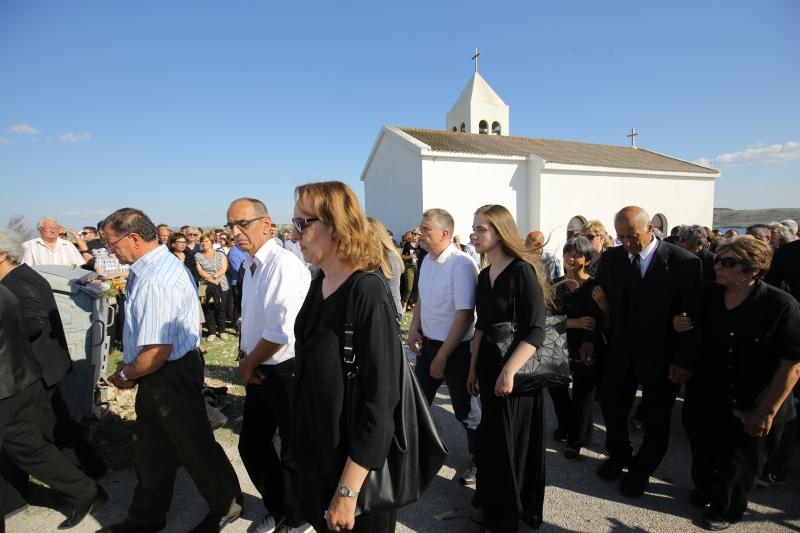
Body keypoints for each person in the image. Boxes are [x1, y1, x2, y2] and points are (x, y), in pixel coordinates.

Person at [97, 208, 241, 533]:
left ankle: (226, 505)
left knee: (193, 445)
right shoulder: (146, 269)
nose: (110, 251)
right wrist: (133, 366)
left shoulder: (158, 278)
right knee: (151, 450)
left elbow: (157, 350)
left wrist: (126, 374)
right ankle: (145, 519)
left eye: (112, 244)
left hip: (169, 372)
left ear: (133, 238)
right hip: (159, 371)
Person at [290, 181, 401, 533]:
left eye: (302, 224)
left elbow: (380, 403)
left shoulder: (366, 292)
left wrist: (348, 490)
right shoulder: (317, 284)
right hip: (319, 461)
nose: (295, 236)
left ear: (336, 225)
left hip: (354, 477)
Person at [682, 236, 800, 530]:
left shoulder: (781, 306)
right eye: (719, 260)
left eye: (729, 263)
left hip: (753, 399)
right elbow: (690, 331)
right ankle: (705, 488)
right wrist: (678, 328)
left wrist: (766, 411)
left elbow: (792, 366)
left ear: (754, 270)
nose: (719, 267)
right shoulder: (708, 295)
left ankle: (726, 509)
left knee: (738, 462)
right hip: (708, 393)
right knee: (703, 448)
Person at [594, 206, 702, 498]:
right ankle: (619, 454)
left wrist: (683, 360)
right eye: (621, 237)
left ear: (651, 228)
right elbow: (605, 300)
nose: (627, 243)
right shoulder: (612, 258)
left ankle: (641, 470)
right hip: (621, 351)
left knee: (656, 418)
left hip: (662, 355)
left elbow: (694, 317)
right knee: (611, 404)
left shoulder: (684, 263)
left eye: (632, 236)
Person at [0, 228, 107, 508]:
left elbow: (35, 322)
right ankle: (92, 471)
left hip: (38, 368)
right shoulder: (23, 275)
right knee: (60, 426)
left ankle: (85, 487)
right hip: (47, 365)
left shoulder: (17, 284)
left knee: (45, 434)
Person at [225, 198, 311, 533]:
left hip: (284, 368)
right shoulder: (251, 264)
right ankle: (281, 506)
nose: (235, 232)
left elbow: (280, 330)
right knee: (253, 443)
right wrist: (247, 357)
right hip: (261, 364)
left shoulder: (282, 264)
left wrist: (248, 363)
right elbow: (255, 320)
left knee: (292, 450)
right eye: (230, 225)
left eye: (242, 224)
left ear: (266, 223)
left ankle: (299, 515)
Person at [465, 204, 548, 532]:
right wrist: (472, 369)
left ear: (500, 232)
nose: (474, 234)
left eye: (480, 228)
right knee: (489, 443)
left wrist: (508, 371)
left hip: (516, 374)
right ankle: (487, 503)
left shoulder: (521, 271)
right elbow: (481, 327)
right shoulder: (484, 276)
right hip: (487, 369)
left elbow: (536, 329)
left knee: (510, 446)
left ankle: (506, 515)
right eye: (474, 228)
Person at [407, 208, 480, 485]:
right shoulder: (427, 260)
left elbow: (464, 316)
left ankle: (480, 458)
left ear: (444, 233)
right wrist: (415, 326)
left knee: (467, 411)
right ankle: (420, 453)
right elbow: (423, 299)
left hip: (456, 351)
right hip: (429, 346)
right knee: (417, 403)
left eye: (425, 229)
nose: (419, 233)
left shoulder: (461, 265)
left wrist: (443, 356)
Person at [548, 236, 605, 459]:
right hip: (557, 346)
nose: (571, 258)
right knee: (557, 392)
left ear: (588, 260)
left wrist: (600, 310)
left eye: (577, 254)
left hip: (586, 347)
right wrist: (574, 322)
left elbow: (597, 321)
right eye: (568, 253)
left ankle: (576, 439)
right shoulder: (555, 286)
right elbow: (545, 321)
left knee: (583, 394)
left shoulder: (594, 287)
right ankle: (565, 427)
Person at [195, 232, 230, 342]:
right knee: (209, 309)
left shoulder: (220, 254)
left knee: (221, 309)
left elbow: (224, 268)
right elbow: (200, 270)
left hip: (221, 284)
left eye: (206, 241)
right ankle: (211, 332)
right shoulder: (198, 255)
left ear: (211, 242)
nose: (204, 243)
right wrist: (210, 279)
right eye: (202, 241)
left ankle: (222, 330)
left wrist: (215, 276)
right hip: (206, 285)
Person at [368, 217, 403, 316]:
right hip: (373, 312)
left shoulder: (389, 257)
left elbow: (393, 290)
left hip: (388, 313)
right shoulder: (365, 255)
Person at [21, 217, 87, 267]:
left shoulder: (68, 245)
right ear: (40, 230)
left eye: (56, 228)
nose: (53, 231)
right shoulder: (29, 245)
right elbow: (26, 268)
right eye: (49, 228)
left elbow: (77, 267)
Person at [400, 229, 420, 311]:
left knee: (417, 287)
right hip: (410, 267)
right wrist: (409, 257)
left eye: (416, 234)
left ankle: (413, 303)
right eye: (413, 233)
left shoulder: (421, 245)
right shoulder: (408, 244)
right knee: (409, 288)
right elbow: (402, 256)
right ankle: (404, 305)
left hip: (419, 267)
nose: (414, 235)